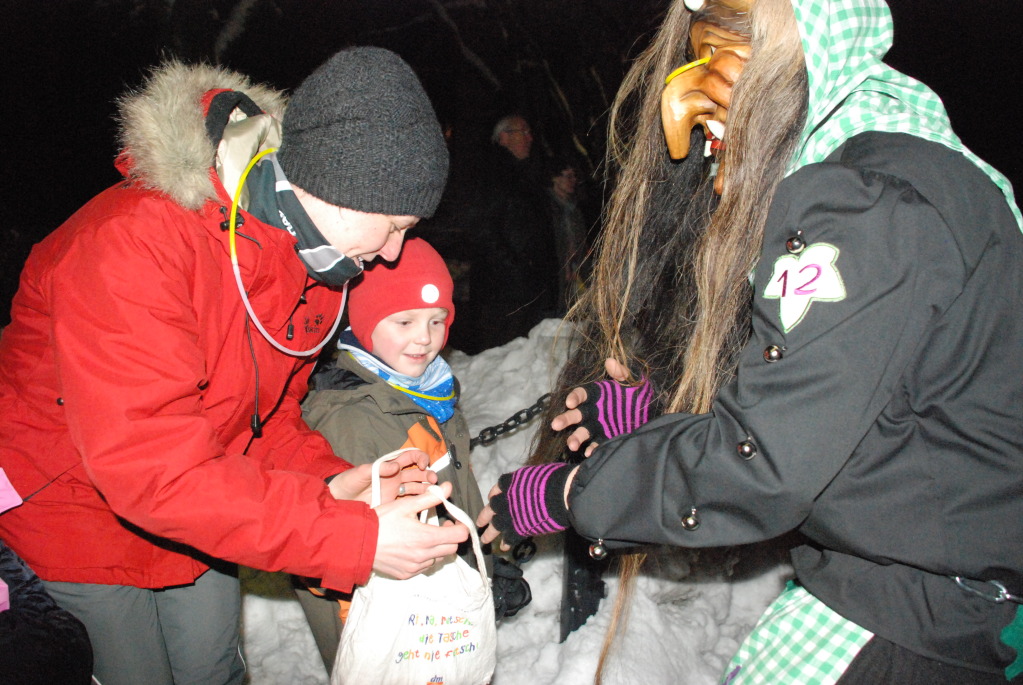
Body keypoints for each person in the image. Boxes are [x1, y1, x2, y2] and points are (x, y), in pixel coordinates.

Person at [477, 0, 1023, 683]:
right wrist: (654, 424)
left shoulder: (867, 202)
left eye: (720, 69)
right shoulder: (891, 170)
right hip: (907, 596)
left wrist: (568, 493)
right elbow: (854, 415)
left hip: (910, 622)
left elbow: (762, 465)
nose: (690, 118)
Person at [0, 47, 469, 685]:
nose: (392, 254)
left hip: (199, 505)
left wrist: (335, 483)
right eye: (392, 226)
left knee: (213, 670)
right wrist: (353, 543)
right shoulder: (136, 245)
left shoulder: (314, 263)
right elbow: (151, 466)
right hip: (75, 513)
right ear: (334, 185)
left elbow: (259, 417)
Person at [295, 237, 492, 671]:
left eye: (437, 321)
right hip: (376, 614)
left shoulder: (427, 391)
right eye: (404, 322)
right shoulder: (352, 418)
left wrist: (484, 565)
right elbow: (357, 542)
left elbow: (451, 485)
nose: (424, 338)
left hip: (434, 592)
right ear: (364, 323)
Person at [463, 113, 559, 353]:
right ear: (504, 138)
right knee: (503, 355)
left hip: (525, 285)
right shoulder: (491, 174)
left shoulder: (523, 173)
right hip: (504, 292)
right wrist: (516, 267)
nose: (530, 138)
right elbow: (483, 230)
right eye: (523, 132)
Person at [545, 157, 592, 315]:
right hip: (555, 274)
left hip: (575, 272)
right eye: (568, 176)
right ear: (555, 178)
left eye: (574, 176)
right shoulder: (547, 208)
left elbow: (580, 243)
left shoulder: (574, 210)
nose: (573, 180)